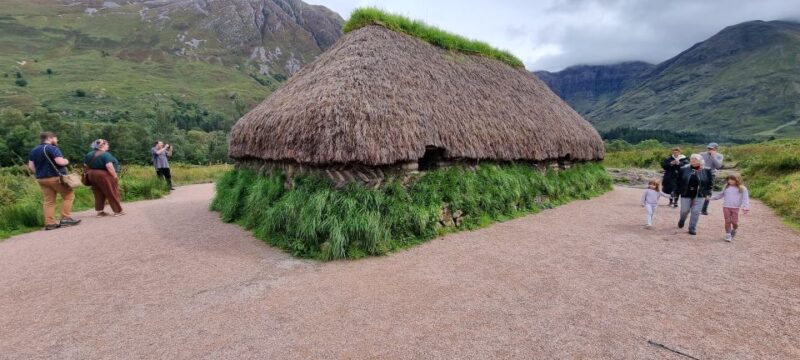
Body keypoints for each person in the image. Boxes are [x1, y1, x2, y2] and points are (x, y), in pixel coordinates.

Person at [27, 132, 82, 230]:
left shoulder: (34, 150)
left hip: (41, 179)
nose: (57, 141)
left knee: (49, 201)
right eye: (56, 139)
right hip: (55, 178)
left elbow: (31, 166)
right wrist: (66, 161)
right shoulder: (52, 148)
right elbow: (60, 162)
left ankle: (50, 223)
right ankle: (65, 218)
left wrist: (40, 173)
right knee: (68, 195)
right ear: (50, 138)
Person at [85, 139, 125, 217]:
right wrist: (114, 175)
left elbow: (85, 165)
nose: (108, 146)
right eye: (107, 144)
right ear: (102, 145)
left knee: (98, 193)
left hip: (92, 175)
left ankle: (100, 212)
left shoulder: (89, 154)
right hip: (104, 175)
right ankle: (118, 211)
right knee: (111, 192)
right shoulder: (106, 154)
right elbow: (109, 166)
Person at [676, 154, 714, 235]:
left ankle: (692, 228)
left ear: (700, 160)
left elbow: (710, 184)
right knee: (684, 211)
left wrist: (708, 194)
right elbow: (678, 182)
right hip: (686, 193)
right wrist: (675, 192)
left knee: (696, 212)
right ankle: (682, 220)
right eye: (691, 159)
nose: (692, 160)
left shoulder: (707, 170)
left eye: (695, 159)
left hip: (700, 194)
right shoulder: (683, 169)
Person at [710, 174, 750, 242]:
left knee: (734, 222)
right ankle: (728, 234)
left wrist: (745, 207)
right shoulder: (726, 187)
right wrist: (712, 198)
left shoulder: (742, 188)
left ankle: (734, 229)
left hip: (736, 207)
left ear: (737, 180)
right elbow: (721, 195)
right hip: (726, 207)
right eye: (728, 179)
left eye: (732, 179)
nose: (730, 181)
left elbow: (745, 198)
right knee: (727, 221)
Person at [700, 143, 724, 215]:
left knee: (709, 192)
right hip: (701, 173)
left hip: (711, 174)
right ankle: (696, 207)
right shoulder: (701, 154)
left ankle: (704, 209)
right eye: (709, 148)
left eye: (712, 149)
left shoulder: (719, 156)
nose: (709, 150)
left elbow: (718, 166)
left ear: (716, 149)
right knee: (698, 190)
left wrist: (713, 156)